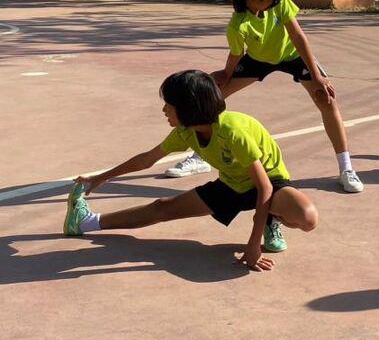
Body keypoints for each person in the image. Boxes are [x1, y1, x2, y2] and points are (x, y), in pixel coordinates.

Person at [64, 70, 318, 271]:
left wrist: (253, 245)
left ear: (189, 108)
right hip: (232, 185)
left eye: (169, 105)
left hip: (270, 183)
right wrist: (101, 178)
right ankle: (85, 221)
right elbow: (147, 159)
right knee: (162, 208)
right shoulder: (185, 132)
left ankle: (271, 220)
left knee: (307, 218)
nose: (164, 110)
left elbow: (264, 187)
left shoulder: (233, 132)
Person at [166, 0, 364, 206]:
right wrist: (226, 74)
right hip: (258, 59)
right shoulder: (238, 23)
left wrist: (317, 76)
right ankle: (200, 157)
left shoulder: (278, 0)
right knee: (209, 98)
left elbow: (297, 36)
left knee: (327, 98)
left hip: (292, 55)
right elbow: (236, 53)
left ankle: (346, 168)